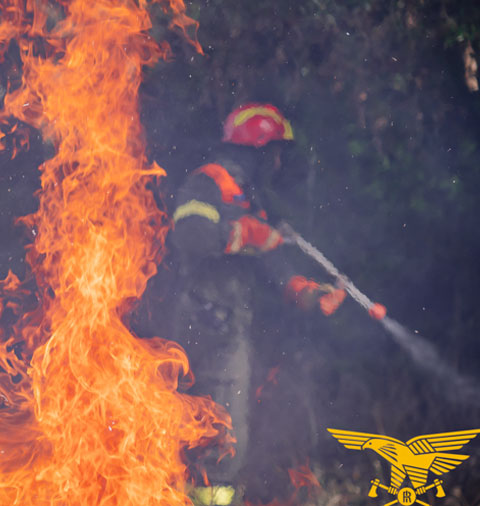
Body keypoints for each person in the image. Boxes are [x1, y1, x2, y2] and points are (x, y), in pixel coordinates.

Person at [140, 104, 345, 505]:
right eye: (276, 152)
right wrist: (245, 233)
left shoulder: (248, 197)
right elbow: (191, 235)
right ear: (260, 149)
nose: (279, 161)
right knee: (222, 439)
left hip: (227, 327)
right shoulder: (209, 183)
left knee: (224, 433)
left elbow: (271, 263)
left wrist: (307, 292)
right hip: (206, 326)